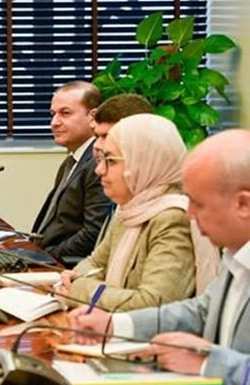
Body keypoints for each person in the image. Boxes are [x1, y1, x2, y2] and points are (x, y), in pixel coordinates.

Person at [69, 129, 250, 383]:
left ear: (243, 204)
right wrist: (114, 325)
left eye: (198, 203)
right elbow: (201, 311)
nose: (190, 214)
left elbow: (154, 299)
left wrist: (210, 363)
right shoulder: (236, 254)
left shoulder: (174, 219)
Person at [59, 114, 217, 312]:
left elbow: (152, 303)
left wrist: (81, 290)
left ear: (144, 163)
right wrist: (73, 278)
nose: (99, 170)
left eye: (111, 161)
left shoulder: (173, 218)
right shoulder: (132, 207)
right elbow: (96, 262)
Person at [32, 81, 112, 263]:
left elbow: (93, 234)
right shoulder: (71, 161)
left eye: (65, 113)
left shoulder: (98, 164)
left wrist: (48, 257)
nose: (54, 122)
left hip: (68, 266)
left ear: (93, 117)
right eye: (53, 114)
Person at [90, 94, 154, 243]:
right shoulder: (124, 198)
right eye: (96, 136)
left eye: (106, 136)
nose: (97, 145)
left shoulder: (166, 213)